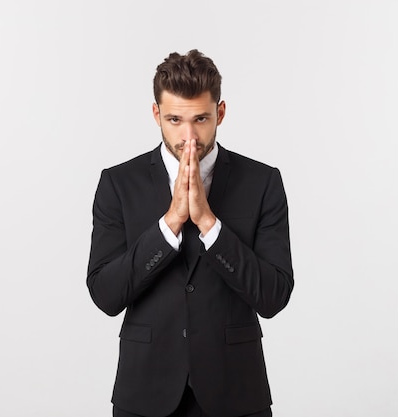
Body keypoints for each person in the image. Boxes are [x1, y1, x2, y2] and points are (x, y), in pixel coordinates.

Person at [87, 49, 294, 417]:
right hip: (145, 392)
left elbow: (274, 296)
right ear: (156, 115)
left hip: (236, 393)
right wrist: (169, 225)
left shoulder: (263, 183)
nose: (189, 137)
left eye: (200, 119)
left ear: (221, 112)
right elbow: (105, 294)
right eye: (174, 120)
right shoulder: (118, 184)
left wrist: (210, 225)